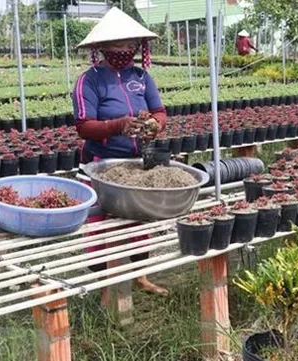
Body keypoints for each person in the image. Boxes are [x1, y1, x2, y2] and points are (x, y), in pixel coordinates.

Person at [71, 8, 168, 296]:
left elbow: (160, 112)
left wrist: (153, 124)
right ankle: (104, 286)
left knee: (138, 218)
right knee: (99, 221)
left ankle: (140, 276)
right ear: (102, 47)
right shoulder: (89, 81)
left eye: (130, 46)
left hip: (136, 164)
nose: (125, 51)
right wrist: (118, 125)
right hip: (101, 164)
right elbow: (84, 127)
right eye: (118, 45)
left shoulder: (141, 76)